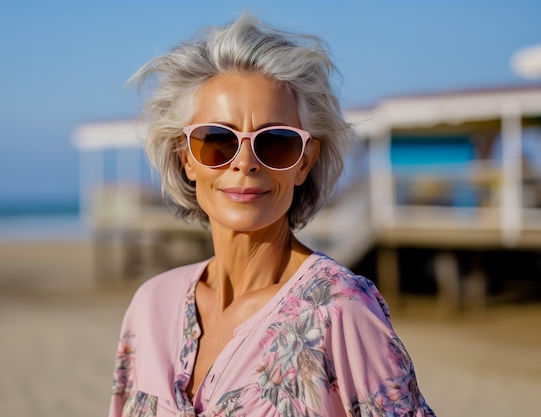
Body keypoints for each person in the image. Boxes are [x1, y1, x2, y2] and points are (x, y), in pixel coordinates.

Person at [109, 13, 436, 417]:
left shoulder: (340, 309)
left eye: (276, 142)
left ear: (304, 162)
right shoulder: (150, 306)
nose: (244, 162)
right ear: (186, 157)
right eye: (217, 141)